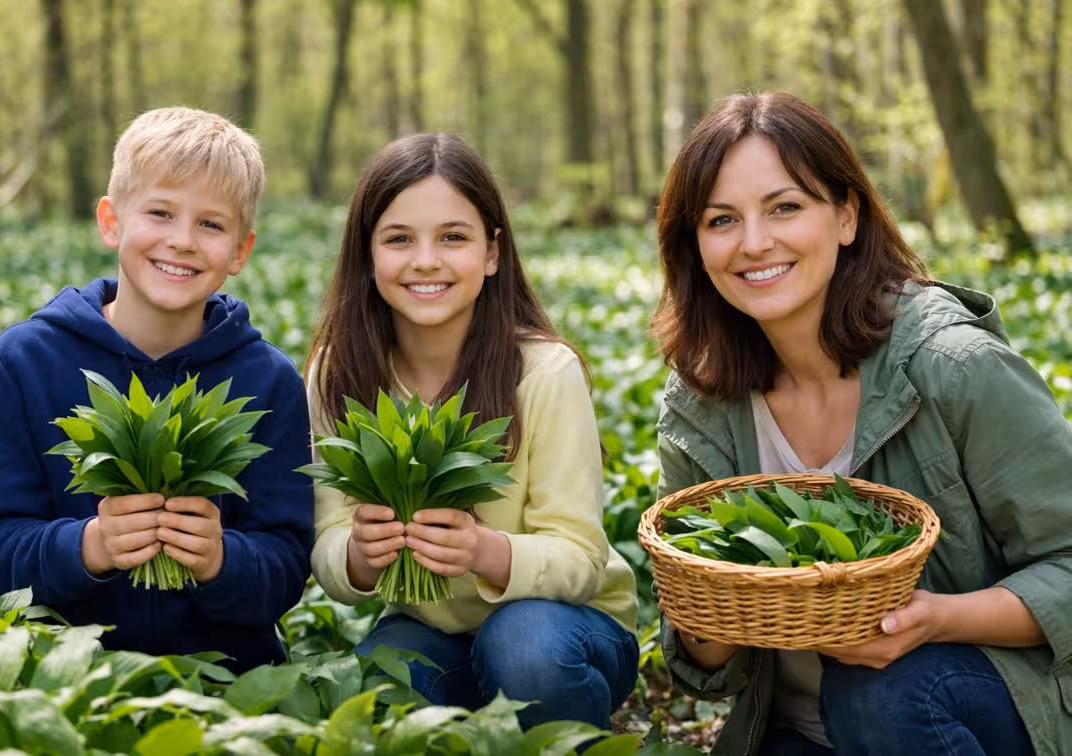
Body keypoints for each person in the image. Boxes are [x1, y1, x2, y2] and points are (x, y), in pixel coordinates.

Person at [651, 91, 1072, 756]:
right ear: (695, 245)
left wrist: (938, 621)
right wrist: (709, 603)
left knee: (878, 696)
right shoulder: (699, 403)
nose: (754, 243)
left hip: (978, 710)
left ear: (846, 216)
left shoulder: (953, 366)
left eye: (785, 207)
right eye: (721, 219)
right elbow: (705, 667)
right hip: (795, 729)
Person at [0, 107, 314, 673]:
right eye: (160, 212)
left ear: (240, 251)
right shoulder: (25, 360)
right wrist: (90, 547)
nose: (182, 241)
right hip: (65, 675)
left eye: (211, 225)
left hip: (226, 678)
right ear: (111, 221)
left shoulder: (268, 380)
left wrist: (221, 558)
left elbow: (289, 564)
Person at [305, 133, 639, 729]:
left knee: (523, 647)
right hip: (431, 630)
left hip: (567, 625)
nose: (426, 260)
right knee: (378, 687)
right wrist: (357, 554)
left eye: (453, 237)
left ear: (492, 253)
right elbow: (330, 538)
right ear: (367, 254)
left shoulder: (543, 372)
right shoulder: (340, 373)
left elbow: (582, 558)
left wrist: (485, 551)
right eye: (399, 239)